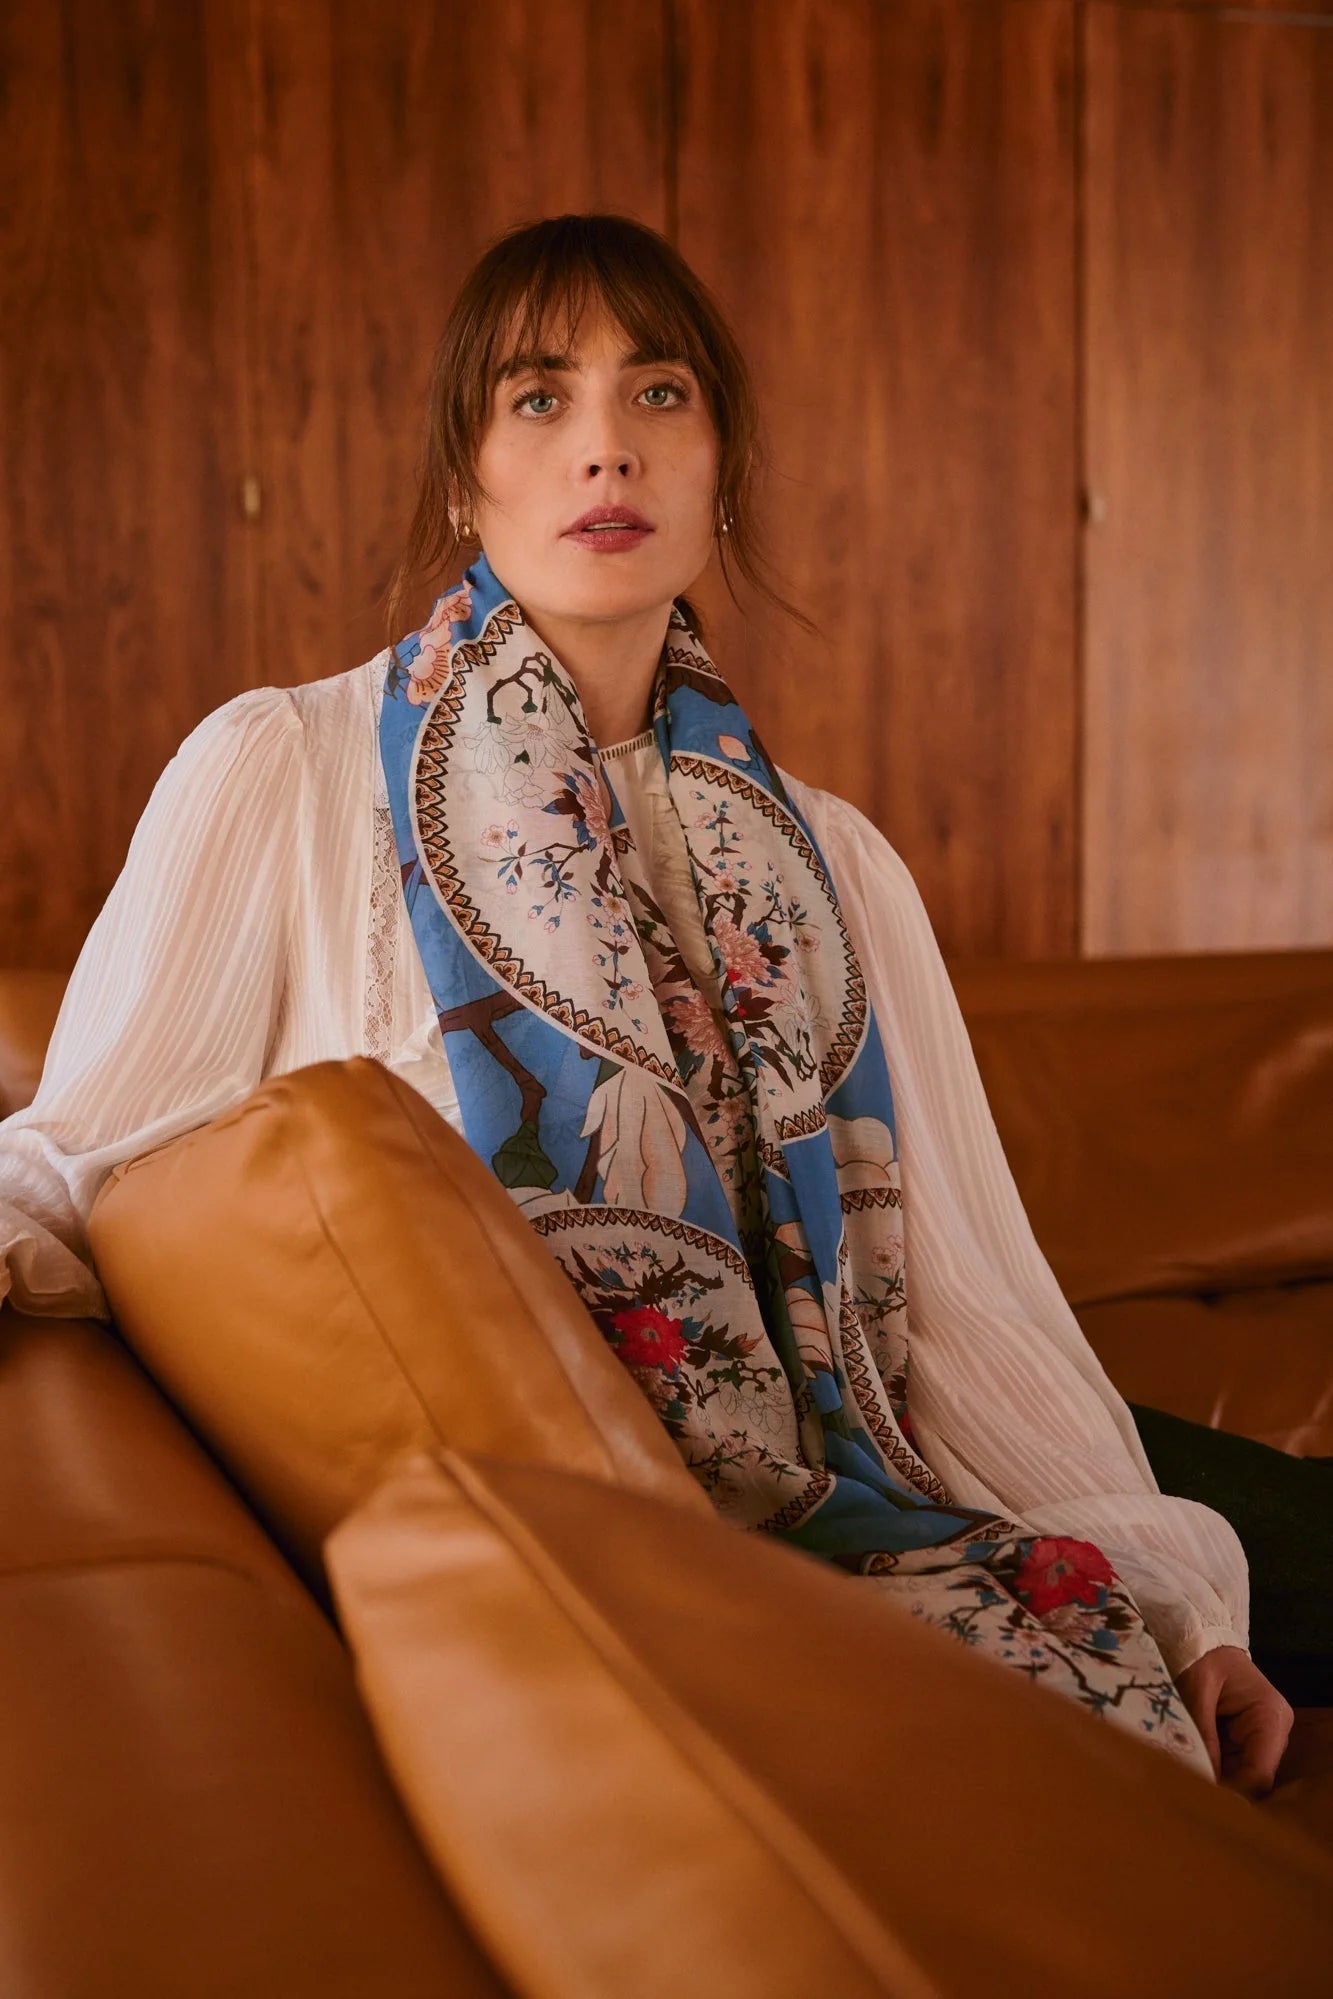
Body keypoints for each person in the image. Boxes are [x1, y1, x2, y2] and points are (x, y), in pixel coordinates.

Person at [0, 213, 1294, 1794]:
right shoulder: (281, 771)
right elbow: (74, 1159)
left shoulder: (839, 866)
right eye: (539, 396)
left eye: (659, 392)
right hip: (559, 1562)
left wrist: (1177, 1603)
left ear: (719, 471)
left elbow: (964, 1306)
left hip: (852, 1497)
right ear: (464, 477)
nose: (604, 447)